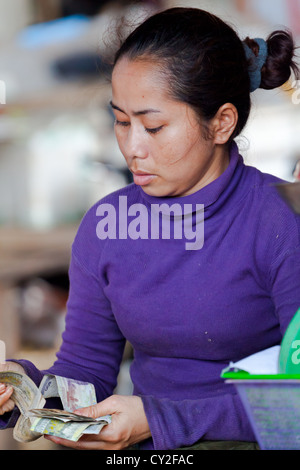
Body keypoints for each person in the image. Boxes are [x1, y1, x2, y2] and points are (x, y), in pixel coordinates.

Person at [1, 7, 300, 450]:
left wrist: (162, 420)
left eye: (154, 126)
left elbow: (293, 405)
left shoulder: (280, 222)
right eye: (121, 121)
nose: (132, 147)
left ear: (221, 123)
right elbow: (85, 374)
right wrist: (23, 392)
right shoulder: (106, 228)